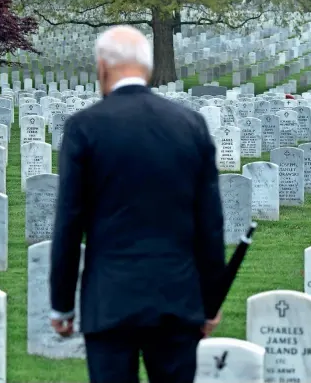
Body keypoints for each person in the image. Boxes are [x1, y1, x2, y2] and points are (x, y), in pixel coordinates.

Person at [49, 25, 226, 383]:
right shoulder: (190, 125)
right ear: (146, 68)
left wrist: (62, 303)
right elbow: (209, 224)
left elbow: (69, 222)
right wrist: (210, 302)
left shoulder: (85, 127)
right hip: (177, 299)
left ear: (102, 67)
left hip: (110, 299)